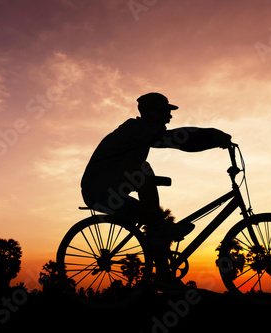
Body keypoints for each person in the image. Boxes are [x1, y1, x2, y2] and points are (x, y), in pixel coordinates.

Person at [81, 92, 231, 289]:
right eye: (164, 112)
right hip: (100, 192)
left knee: (155, 223)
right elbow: (177, 139)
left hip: (106, 191)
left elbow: (182, 143)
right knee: (144, 172)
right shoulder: (136, 129)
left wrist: (214, 140)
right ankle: (159, 238)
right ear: (149, 112)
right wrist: (212, 133)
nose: (169, 116)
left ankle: (162, 274)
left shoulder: (142, 133)